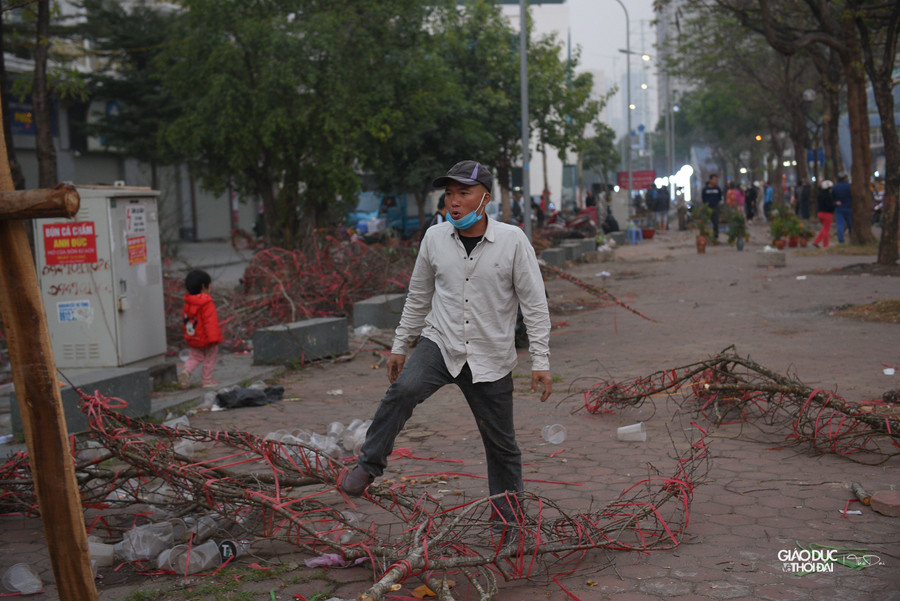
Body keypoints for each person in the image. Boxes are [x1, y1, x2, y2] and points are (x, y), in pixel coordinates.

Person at [340, 160, 553, 526]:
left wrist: (541, 361)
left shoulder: (513, 241)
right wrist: (400, 345)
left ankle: (508, 524)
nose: (454, 201)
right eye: (449, 194)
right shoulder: (434, 238)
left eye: (463, 193)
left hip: (490, 356)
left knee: (502, 446)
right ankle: (368, 465)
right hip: (441, 342)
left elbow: (534, 305)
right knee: (403, 390)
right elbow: (418, 295)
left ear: (484, 198)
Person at [179, 270, 223, 389]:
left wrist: (189, 336)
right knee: (210, 357)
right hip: (207, 338)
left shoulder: (188, 302)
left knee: (195, 357)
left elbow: (186, 320)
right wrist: (214, 339)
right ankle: (206, 381)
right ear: (204, 286)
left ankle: (186, 371)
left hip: (193, 336)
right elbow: (210, 322)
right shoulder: (207, 302)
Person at [702, 174, 724, 241]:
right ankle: (705, 237)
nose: (715, 181)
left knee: (716, 222)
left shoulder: (717, 189)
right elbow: (703, 198)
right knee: (706, 222)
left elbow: (720, 197)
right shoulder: (705, 189)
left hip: (715, 207)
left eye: (716, 180)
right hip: (708, 208)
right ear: (710, 180)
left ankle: (715, 237)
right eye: (714, 180)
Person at [813, 180, 834, 248]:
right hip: (827, 214)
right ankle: (825, 245)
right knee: (826, 230)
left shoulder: (820, 195)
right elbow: (830, 205)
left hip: (820, 213)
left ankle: (816, 241)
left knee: (824, 228)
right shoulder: (828, 196)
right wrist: (836, 205)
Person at [832, 174, 852, 243]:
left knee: (840, 224)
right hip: (849, 207)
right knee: (850, 224)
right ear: (845, 179)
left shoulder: (835, 187)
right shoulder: (849, 186)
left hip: (839, 208)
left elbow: (832, 197)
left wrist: (835, 202)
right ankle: (852, 237)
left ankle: (841, 239)